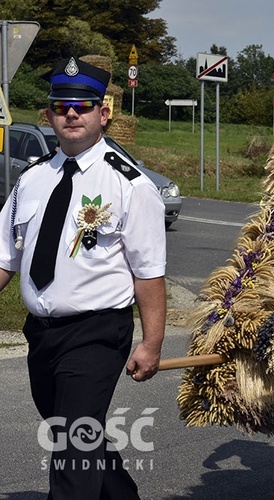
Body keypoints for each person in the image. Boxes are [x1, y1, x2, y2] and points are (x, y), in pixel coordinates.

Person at [0, 57, 167, 498]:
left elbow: (149, 274)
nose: (71, 114)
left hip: (97, 333)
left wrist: (151, 344)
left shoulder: (130, 185)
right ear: (50, 114)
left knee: (72, 448)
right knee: (72, 433)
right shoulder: (32, 179)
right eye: (62, 106)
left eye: (83, 105)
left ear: (103, 113)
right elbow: (4, 258)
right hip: (41, 334)